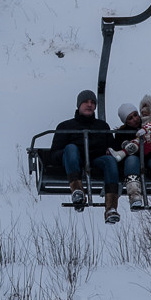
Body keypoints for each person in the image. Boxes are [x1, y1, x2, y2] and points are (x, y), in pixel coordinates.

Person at [50, 89, 121, 223]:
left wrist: (110, 150)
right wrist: (67, 154)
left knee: (110, 161)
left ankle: (111, 207)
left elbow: (113, 148)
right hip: (75, 160)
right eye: (85, 102)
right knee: (71, 148)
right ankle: (77, 191)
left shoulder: (102, 126)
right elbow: (54, 154)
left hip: (96, 161)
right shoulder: (66, 126)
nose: (89, 105)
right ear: (79, 105)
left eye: (92, 102)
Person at [110, 95, 151, 208]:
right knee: (131, 160)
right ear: (126, 122)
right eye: (130, 118)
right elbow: (120, 144)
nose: (135, 119)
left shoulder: (149, 123)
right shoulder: (122, 133)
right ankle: (134, 195)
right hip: (134, 157)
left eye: (135, 115)